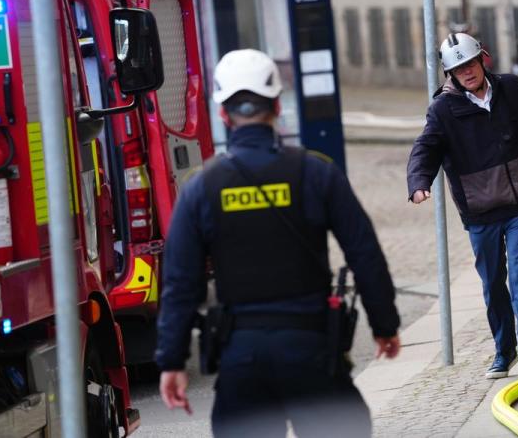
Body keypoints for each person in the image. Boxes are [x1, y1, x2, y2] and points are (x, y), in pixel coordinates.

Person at [155, 49, 401, 436]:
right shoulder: (316, 173)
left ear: (222, 113)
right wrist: (384, 323)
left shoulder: (201, 189)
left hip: (241, 360)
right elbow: (364, 252)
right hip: (312, 352)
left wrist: (172, 360)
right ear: (276, 105)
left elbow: (180, 283)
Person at [407, 32, 518, 379]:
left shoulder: (511, 88)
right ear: (449, 73)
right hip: (480, 212)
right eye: (457, 68)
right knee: (493, 283)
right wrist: (419, 182)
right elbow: (425, 149)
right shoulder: (443, 109)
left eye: (469, 63)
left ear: (482, 59)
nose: (466, 72)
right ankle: (504, 351)